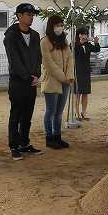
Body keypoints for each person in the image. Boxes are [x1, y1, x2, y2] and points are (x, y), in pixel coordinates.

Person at [4, 3, 43, 161]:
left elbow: (38, 57)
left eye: (33, 14)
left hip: (31, 82)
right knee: (16, 114)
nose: (31, 17)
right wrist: (28, 77)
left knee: (28, 114)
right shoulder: (11, 36)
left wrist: (36, 75)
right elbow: (14, 60)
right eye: (28, 14)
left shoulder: (34, 35)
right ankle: (14, 146)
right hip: (18, 82)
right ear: (19, 16)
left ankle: (25, 143)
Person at [40, 15, 75, 149]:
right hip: (51, 81)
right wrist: (64, 77)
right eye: (57, 25)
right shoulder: (44, 42)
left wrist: (69, 76)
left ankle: (57, 136)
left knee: (59, 112)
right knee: (51, 111)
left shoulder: (64, 41)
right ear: (51, 26)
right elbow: (49, 64)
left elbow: (70, 59)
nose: (59, 28)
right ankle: (49, 138)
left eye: (61, 25)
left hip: (65, 81)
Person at [74, 27, 100, 120]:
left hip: (86, 70)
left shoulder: (88, 44)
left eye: (86, 34)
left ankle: (84, 112)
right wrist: (80, 43)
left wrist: (96, 42)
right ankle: (76, 113)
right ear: (78, 35)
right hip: (77, 71)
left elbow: (97, 49)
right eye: (82, 34)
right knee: (77, 93)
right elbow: (74, 52)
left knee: (85, 93)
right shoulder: (75, 45)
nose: (84, 36)